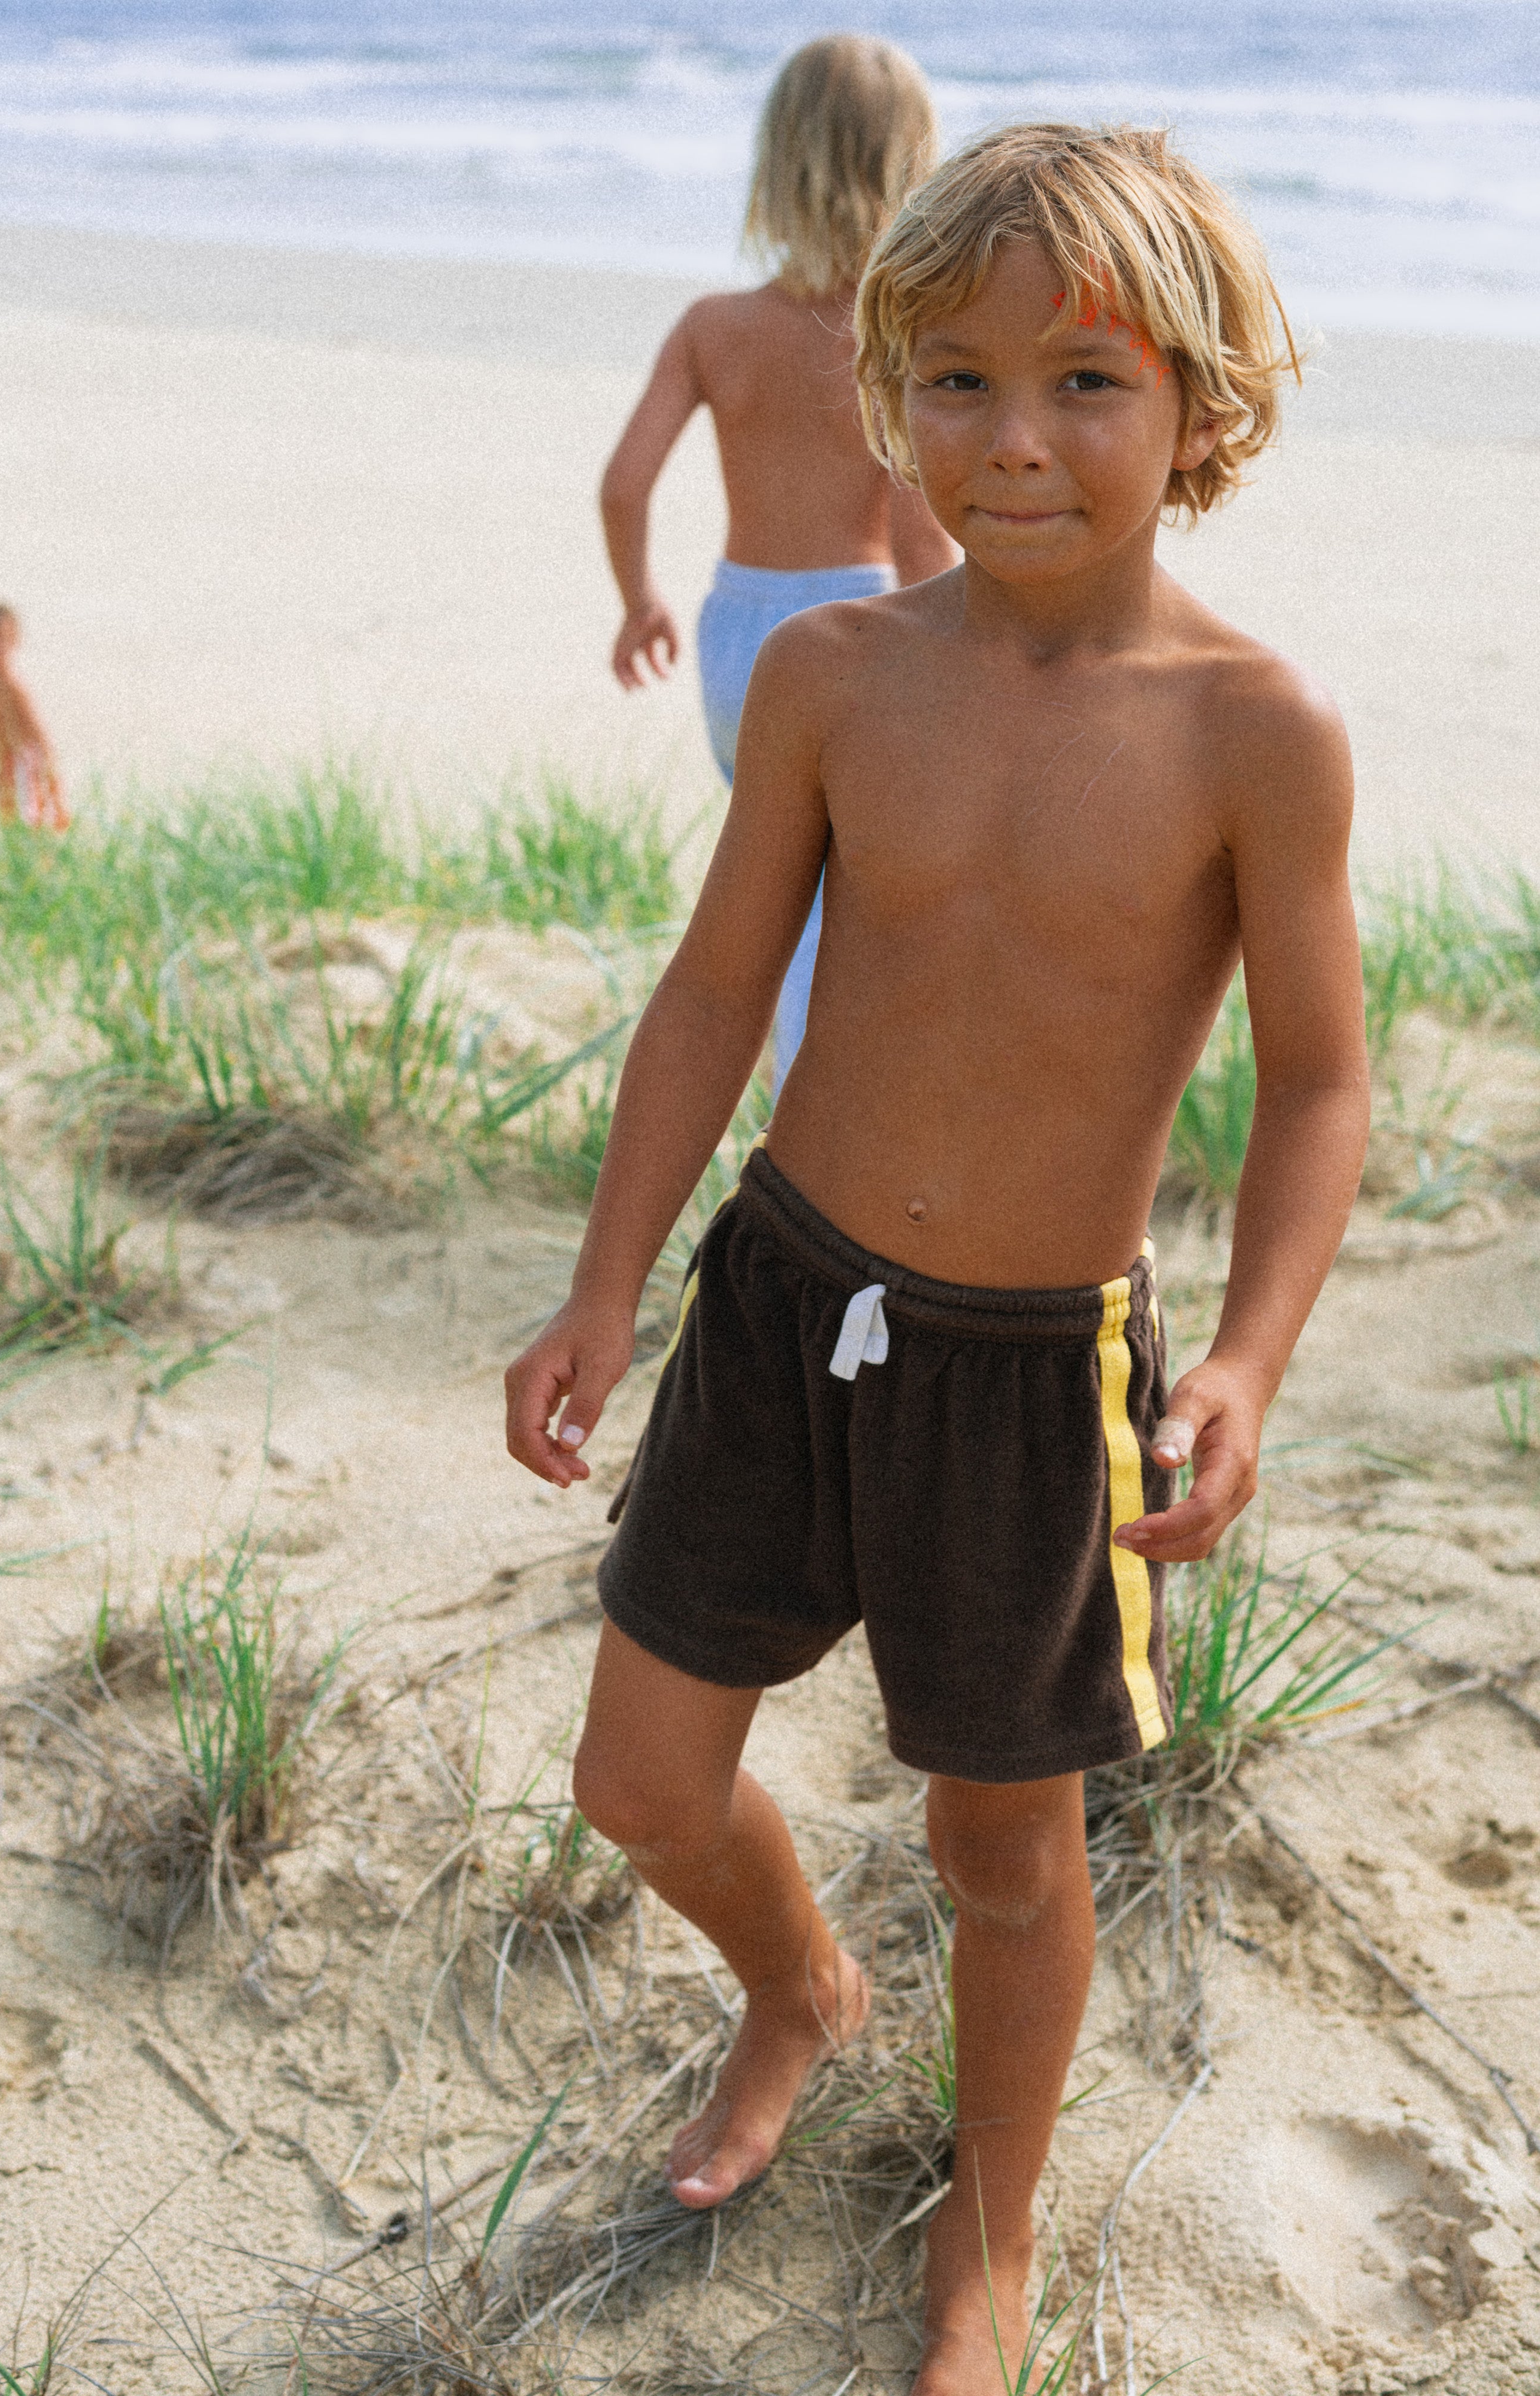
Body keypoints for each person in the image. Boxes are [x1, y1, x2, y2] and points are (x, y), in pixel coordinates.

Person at [509, 122, 1370, 2392]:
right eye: (957, 379)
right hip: (783, 1299)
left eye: (1084, 382)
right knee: (642, 1779)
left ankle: (981, 2229)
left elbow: (1312, 1087)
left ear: (1201, 402)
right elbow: (711, 994)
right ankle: (797, 1984)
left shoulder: (1249, 732)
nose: (1012, 439)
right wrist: (606, 1282)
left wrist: (1251, 1363)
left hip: (1033, 1369)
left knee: (1006, 1840)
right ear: (888, 389)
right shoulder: (832, 679)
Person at [600, 34, 957, 1091]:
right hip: (857, 632)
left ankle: (781, 1101)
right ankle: (809, 1129)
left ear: (778, 160)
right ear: (911, 168)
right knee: (839, 905)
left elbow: (623, 484)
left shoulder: (715, 328)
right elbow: (914, 534)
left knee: (776, 888)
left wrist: (639, 605)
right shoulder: (894, 336)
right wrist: (963, 654)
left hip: (732, 631)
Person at [0, 604, 68, 831]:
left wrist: (48, 763)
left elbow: (33, 725)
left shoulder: (10, 684)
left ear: (15, 641)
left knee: (31, 814)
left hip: (23, 759)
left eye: (1, 641)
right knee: (6, 810)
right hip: (3, 762)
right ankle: (14, 854)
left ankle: (39, 854)